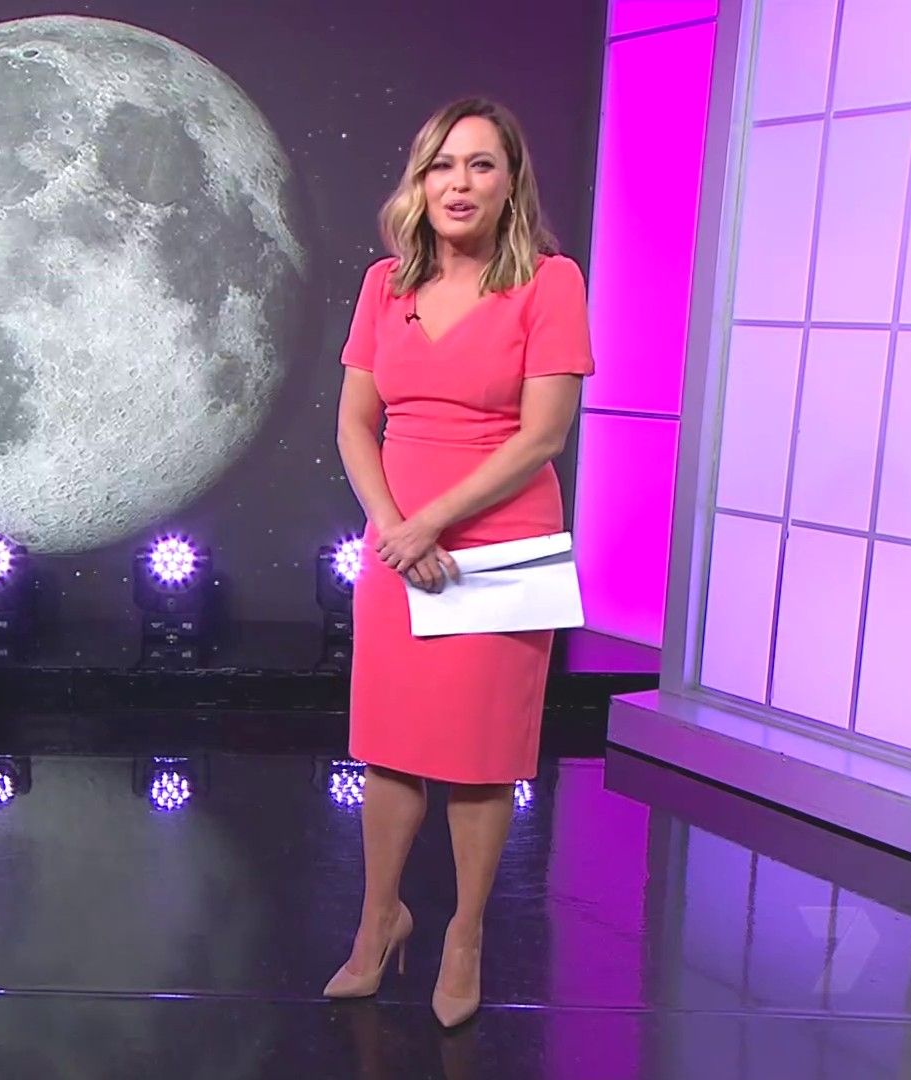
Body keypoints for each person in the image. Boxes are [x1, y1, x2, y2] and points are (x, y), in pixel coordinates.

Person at [324, 98, 594, 1026]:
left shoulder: (550, 282)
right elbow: (354, 424)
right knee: (390, 747)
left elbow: (542, 436)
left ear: (511, 182)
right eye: (442, 165)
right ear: (420, 181)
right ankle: (379, 920)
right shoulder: (384, 284)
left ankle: (466, 934)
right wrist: (393, 527)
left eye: (481, 164)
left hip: (498, 548)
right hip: (399, 547)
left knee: (480, 757)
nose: (459, 183)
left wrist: (429, 524)